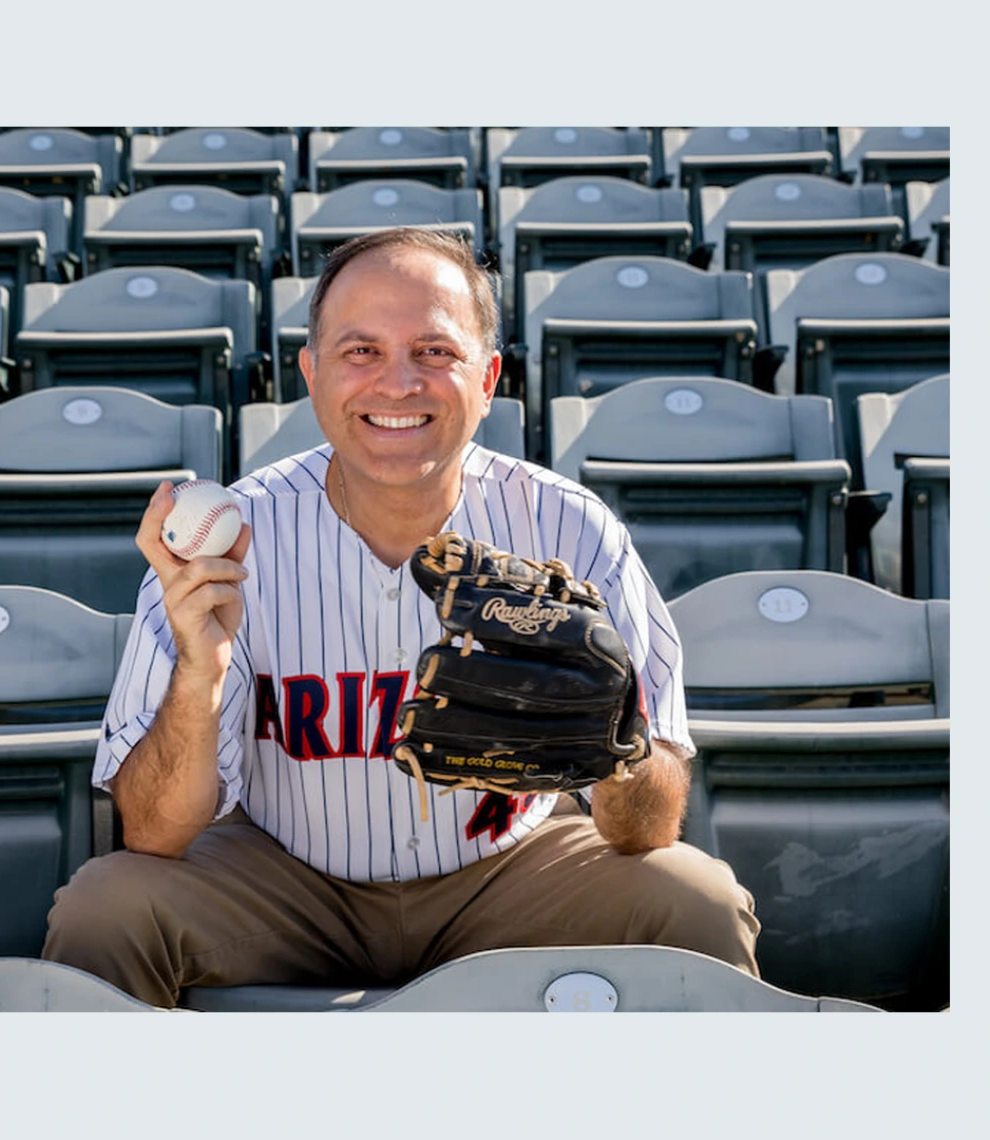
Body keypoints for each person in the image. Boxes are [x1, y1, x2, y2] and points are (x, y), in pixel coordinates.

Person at [42, 227, 760, 1008]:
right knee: (105, 908)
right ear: (311, 375)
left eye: (434, 352)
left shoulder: (570, 530)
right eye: (360, 352)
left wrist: (609, 739)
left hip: (513, 875)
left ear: (488, 380)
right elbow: (152, 834)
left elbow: (642, 833)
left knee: (698, 901)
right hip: (288, 880)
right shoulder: (228, 540)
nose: (397, 384)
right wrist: (199, 676)